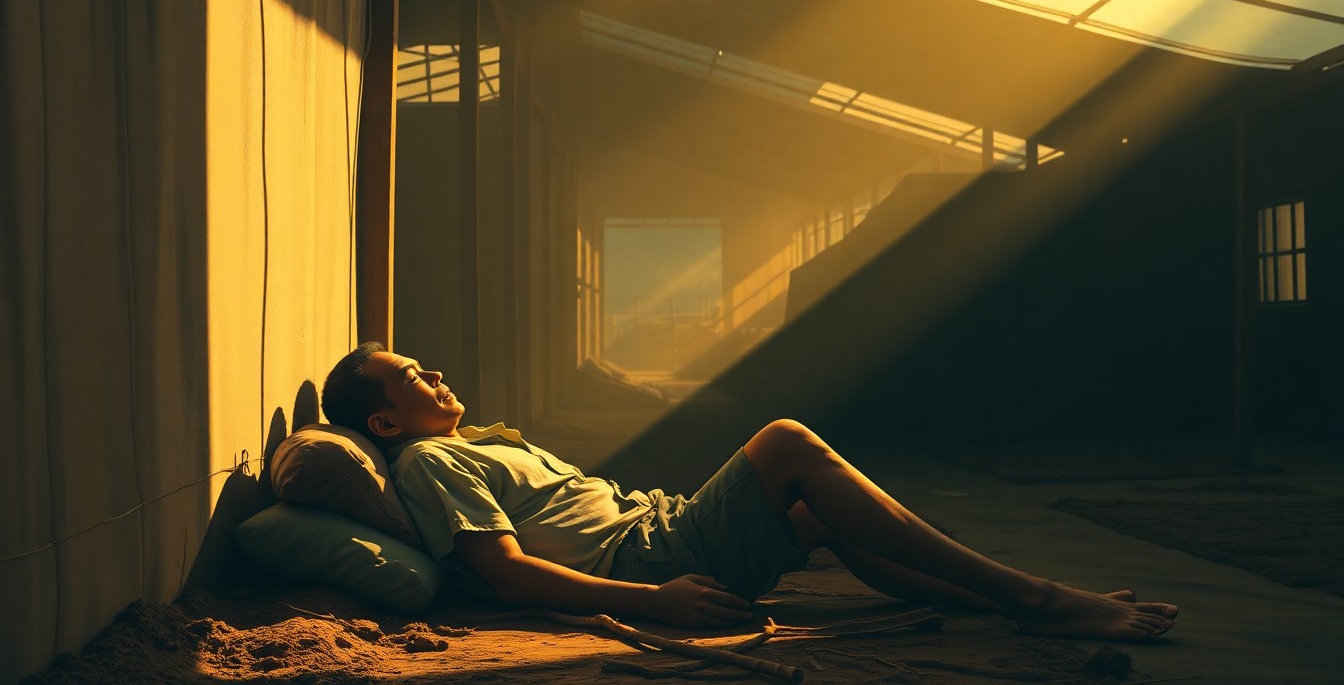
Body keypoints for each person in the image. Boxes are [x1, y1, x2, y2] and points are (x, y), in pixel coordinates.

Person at [321, 341, 1178, 639]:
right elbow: (506, 574)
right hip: (655, 557)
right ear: (385, 424)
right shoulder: (430, 465)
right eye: (410, 376)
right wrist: (652, 601)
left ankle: (1014, 604)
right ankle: (1036, 594)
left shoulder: (469, 441)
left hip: (664, 526)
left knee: (824, 512)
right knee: (786, 442)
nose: (432, 374)